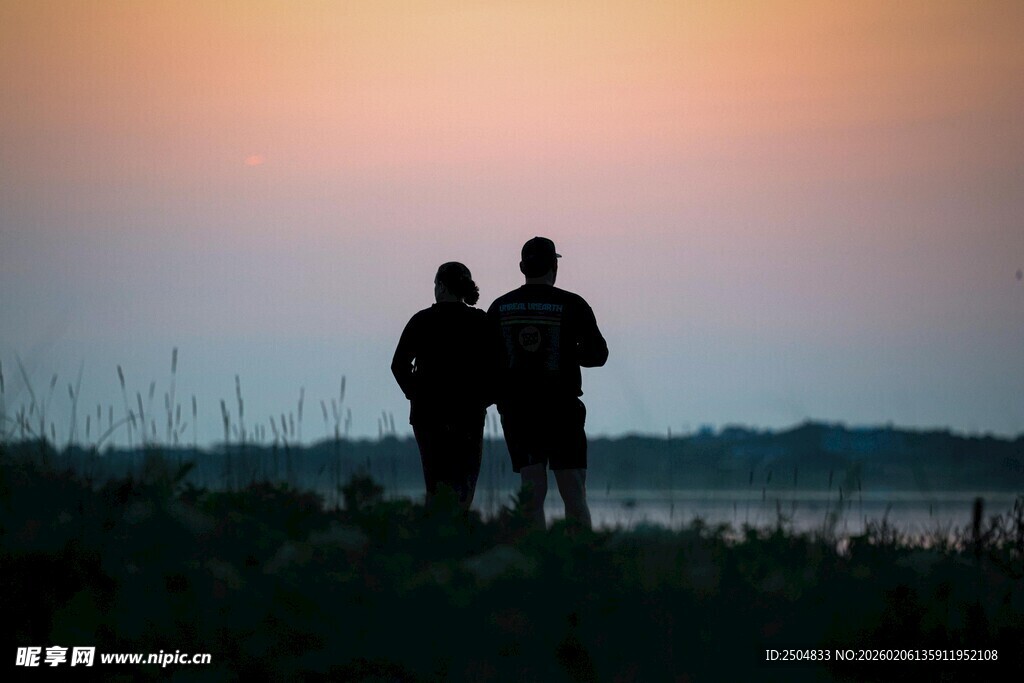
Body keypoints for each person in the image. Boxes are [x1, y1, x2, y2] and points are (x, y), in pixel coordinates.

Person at [487, 237, 608, 530]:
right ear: (554, 266)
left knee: (531, 491)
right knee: (573, 490)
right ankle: (581, 558)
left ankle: (535, 557)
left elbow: (487, 362)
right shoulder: (573, 304)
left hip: (518, 413)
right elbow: (598, 355)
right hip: (562, 410)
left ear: (521, 267)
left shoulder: (500, 307)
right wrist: (569, 350)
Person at [392, 262, 493, 508]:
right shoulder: (480, 321)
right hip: (469, 414)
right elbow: (498, 366)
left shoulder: (422, 320)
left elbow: (398, 365)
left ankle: (434, 537)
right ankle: (459, 535)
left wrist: (415, 394)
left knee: (435, 485)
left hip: (428, 416)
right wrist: (484, 399)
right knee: (465, 484)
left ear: (440, 286)